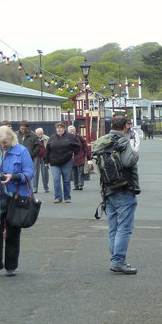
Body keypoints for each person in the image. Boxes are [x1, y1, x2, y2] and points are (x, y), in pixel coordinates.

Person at [0, 126, 33, 277]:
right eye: (1, 142)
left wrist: (14, 177)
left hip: (14, 198)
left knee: (13, 232)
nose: (3, 145)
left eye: (6, 141)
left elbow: (29, 172)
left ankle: (11, 266)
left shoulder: (21, 151)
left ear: (11, 138)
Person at [92, 115, 140, 275]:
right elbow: (127, 162)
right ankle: (118, 261)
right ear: (125, 126)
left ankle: (115, 259)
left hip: (108, 189)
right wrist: (135, 153)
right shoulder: (123, 141)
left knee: (113, 227)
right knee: (124, 227)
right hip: (124, 189)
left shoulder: (103, 140)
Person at [45, 121, 81, 203]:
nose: (59, 129)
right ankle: (58, 197)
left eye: (61, 127)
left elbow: (78, 146)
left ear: (64, 128)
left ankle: (67, 197)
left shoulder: (70, 137)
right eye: (57, 127)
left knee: (66, 180)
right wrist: (46, 160)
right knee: (56, 180)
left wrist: (73, 153)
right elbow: (47, 150)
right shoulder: (52, 138)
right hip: (54, 162)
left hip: (67, 161)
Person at [68, 125, 90, 190]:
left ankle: (80, 185)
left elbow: (85, 145)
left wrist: (87, 154)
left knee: (81, 171)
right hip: (72, 157)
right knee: (74, 172)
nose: (72, 132)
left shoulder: (80, 137)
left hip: (81, 155)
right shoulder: (67, 138)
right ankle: (76, 185)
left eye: (73, 131)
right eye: (71, 131)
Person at [33, 127, 50, 193]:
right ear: (36, 134)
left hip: (44, 157)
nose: (40, 136)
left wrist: (48, 158)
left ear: (43, 133)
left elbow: (49, 148)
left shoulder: (47, 138)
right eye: (38, 134)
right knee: (35, 173)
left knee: (45, 172)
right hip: (36, 157)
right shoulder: (33, 139)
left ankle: (46, 187)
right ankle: (35, 188)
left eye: (41, 134)